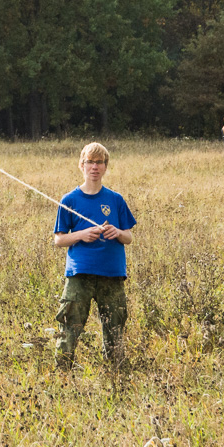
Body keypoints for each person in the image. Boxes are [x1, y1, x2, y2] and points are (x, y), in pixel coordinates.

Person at [51, 142, 137, 369]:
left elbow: (128, 237)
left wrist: (117, 232)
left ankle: (115, 372)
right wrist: (82, 235)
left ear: (106, 167)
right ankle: (63, 371)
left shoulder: (116, 199)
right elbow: (59, 240)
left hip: (112, 274)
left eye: (99, 162)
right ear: (82, 165)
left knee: (115, 327)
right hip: (80, 274)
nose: (95, 167)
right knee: (70, 325)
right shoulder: (69, 200)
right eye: (90, 162)